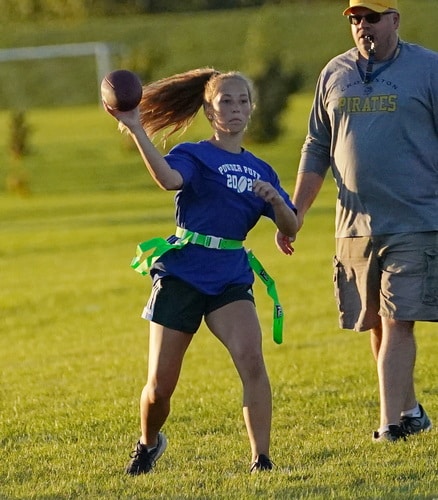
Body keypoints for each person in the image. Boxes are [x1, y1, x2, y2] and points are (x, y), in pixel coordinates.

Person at [103, 68, 298, 473]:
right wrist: (137, 128)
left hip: (230, 275)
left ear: (252, 108)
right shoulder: (194, 154)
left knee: (252, 359)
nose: (235, 108)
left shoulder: (262, 170)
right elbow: (168, 179)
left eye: (242, 101)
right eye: (226, 101)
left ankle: (261, 459)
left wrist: (277, 203)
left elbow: (291, 225)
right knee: (160, 387)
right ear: (209, 111)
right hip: (183, 273)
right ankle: (149, 442)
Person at [276, 0, 438, 442]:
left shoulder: (428, 69)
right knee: (376, 321)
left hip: (416, 220)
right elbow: (316, 145)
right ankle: (410, 411)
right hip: (355, 224)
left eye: (372, 18)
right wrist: (296, 211)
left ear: (395, 20)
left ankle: (389, 425)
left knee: (399, 319)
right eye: (356, 19)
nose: (363, 26)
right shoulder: (335, 72)